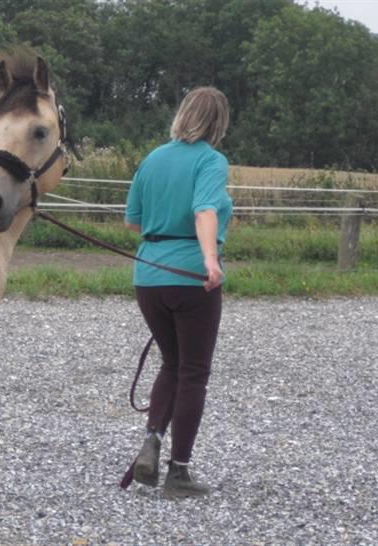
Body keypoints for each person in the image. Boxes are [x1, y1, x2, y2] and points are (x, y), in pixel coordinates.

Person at [124, 86, 232, 498]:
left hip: (148, 275)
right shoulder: (211, 160)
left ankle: (151, 441)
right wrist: (210, 259)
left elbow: (133, 221)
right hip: (190, 277)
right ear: (218, 122)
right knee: (193, 372)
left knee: (171, 362)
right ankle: (179, 473)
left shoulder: (153, 158)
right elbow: (204, 209)